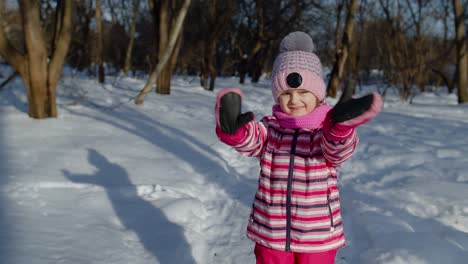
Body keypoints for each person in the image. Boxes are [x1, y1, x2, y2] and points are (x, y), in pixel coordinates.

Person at [214, 31, 382, 264]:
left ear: (318, 94)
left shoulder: (324, 132)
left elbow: (337, 151)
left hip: (318, 236)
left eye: (303, 92)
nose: (294, 100)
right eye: (286, 93)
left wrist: (340, 128)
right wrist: (235, 132)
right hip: (270, 233)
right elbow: (252, 140)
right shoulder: (271, 129)